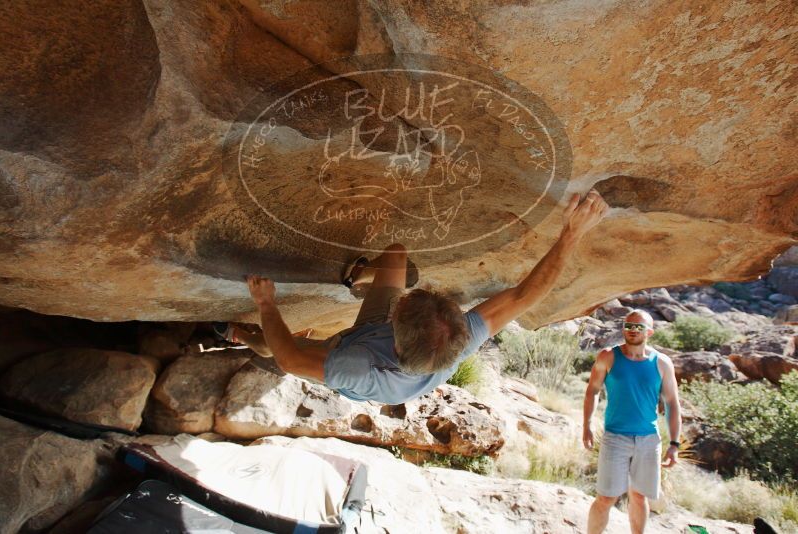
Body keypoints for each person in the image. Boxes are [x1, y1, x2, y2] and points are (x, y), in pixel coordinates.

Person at [230, 189, 608, 404]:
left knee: (287, 346)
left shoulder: (356, 367)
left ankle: (239, 336)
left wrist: (266, 303)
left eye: (403, 306)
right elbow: (525, 296)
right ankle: (358, 278)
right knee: (395, 254)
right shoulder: (457, 340)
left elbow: (291, 360)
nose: (404, 299)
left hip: (360, 357)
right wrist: (572, 234)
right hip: (384, 342)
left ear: (396, 326)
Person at [583, 309, 682, 534]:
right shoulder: (608, 356)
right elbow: (593, 390)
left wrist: (674, 444)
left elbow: (672, 404)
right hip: (615, 437)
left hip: (649, 440)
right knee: (606, 497)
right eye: (628, 326)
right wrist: (587, 424)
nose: (632, 330)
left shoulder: (662, 363)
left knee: (639, 496)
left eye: (638, 327)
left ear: (650, 332)